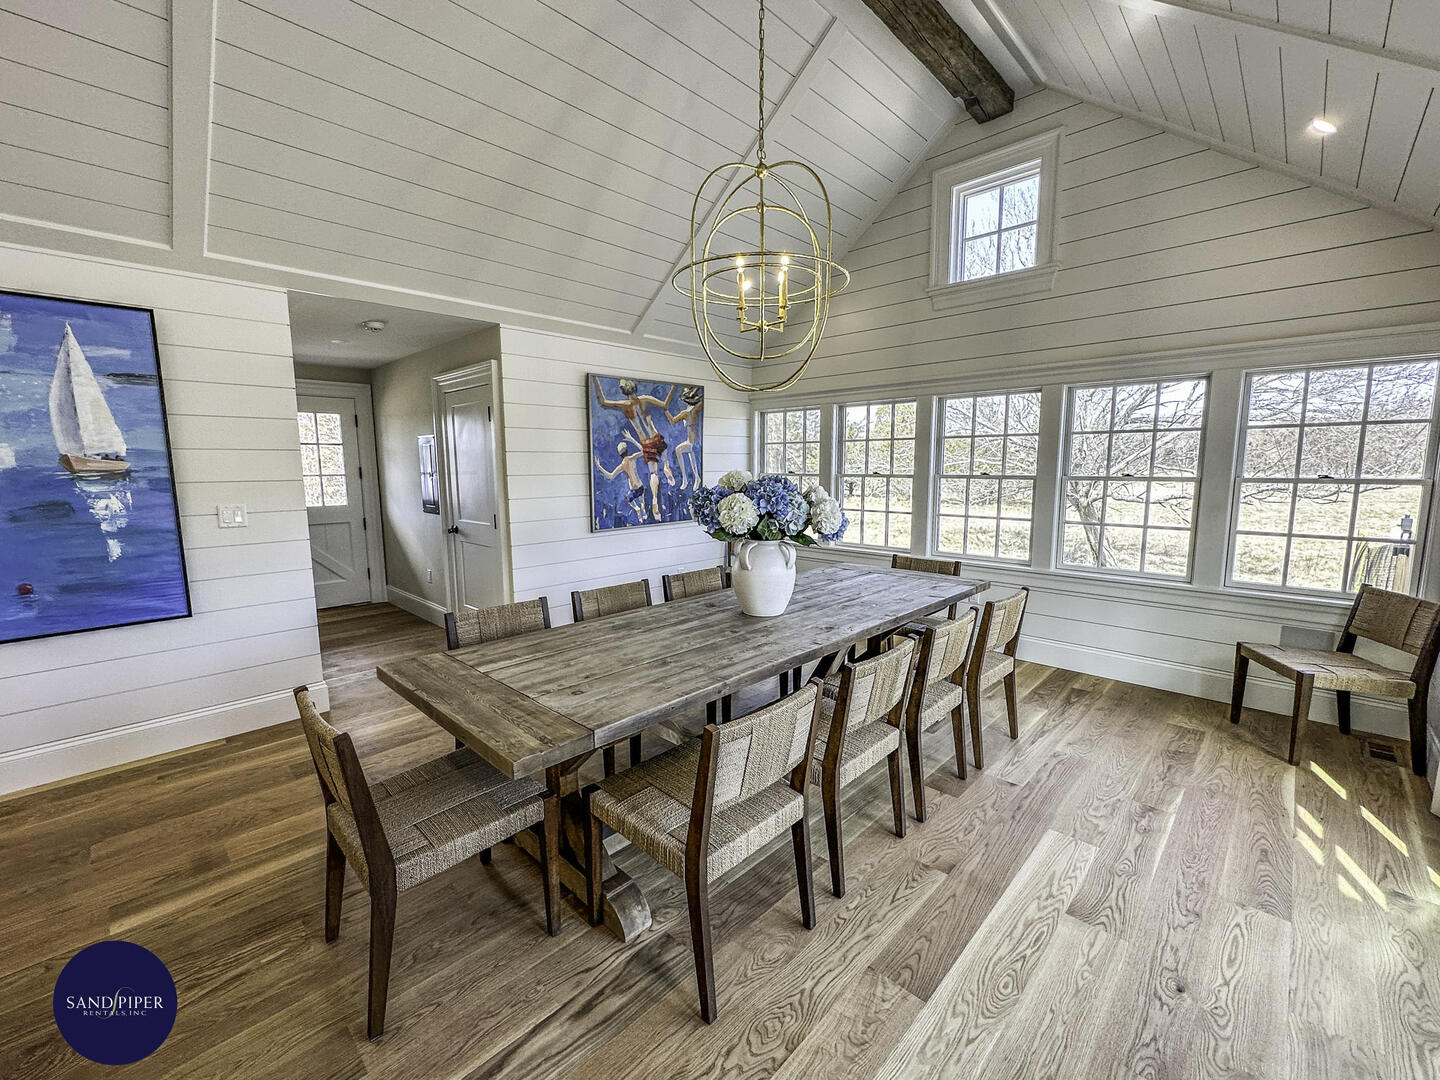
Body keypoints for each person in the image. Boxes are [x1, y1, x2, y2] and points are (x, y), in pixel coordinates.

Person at [591, 375, 676, 518]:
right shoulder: (645, 400)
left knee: (653, 473)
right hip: (655, 436)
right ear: (634, 387)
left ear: (623, 390)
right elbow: (665, 404)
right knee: (664, 455)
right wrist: (673, 386)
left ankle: (654, 499)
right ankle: (667, 467)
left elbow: (603, 403)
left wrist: (595, 380)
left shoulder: (625, 407)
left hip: (646, 443)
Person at [593, 440, 649, 525]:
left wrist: (599, 467)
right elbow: (643, 451)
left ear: (619, 454)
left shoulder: (622, 466)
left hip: (633, 490)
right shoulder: (632, 458)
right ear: (627, 450)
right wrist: (632, 439)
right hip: (640, 487)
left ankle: (638, 508)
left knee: (628, 499)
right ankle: (642, 507)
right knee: (641, 496)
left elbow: (611, 476)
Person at [665, 385, 704, 491]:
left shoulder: (687, 413)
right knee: (691, 459)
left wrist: (666, 411)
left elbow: (672, 420)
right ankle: (694, 478)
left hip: (693, 442)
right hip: (691, 441)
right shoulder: (692, 410)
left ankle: (686, 479)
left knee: (679, 450)